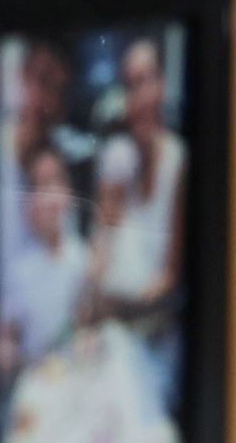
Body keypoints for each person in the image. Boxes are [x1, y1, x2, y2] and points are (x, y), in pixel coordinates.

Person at [83, 38, 186, 413]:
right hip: (107, 332)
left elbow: (171, 276)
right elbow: (99, 243)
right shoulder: (116, 157)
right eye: (130, 85)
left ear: (160, 86)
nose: (139, 96)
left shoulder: (178, 161)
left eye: (145, 81)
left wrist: (117, 309)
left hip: (152, 335)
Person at [0, 145, 87, 389]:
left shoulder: (81, 259)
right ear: (29, 205)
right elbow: (6, 337)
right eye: (41, 187)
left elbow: (85, 326)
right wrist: (7, 354)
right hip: (37, 384)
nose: (51, 198)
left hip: (77, 381)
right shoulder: (19, 271)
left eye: (57, 183)